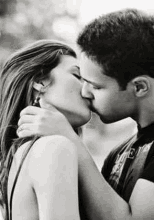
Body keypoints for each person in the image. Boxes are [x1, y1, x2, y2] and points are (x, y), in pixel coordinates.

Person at [17, 8, 154, 220]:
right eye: (82, 79)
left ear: (139, 87)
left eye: (95, 86)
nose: (85, 92)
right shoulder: (119, 152)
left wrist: (71, 141)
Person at [0, 39, 91, 220]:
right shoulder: (54, 147)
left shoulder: (22, 154)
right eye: (78, 76)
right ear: (40, 82)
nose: (88, 90)